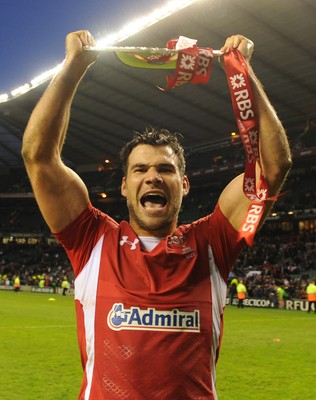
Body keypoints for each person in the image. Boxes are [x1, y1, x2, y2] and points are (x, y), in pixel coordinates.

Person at [21, 30, 292, 400]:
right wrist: (73, 67)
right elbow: (39, 156)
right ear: (123, 186)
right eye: (140, 169)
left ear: (183, 185)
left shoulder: (212, 242)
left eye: (165, 170)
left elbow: (273, 168)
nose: (152, 176)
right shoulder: (92, 240)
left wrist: (243, 74)